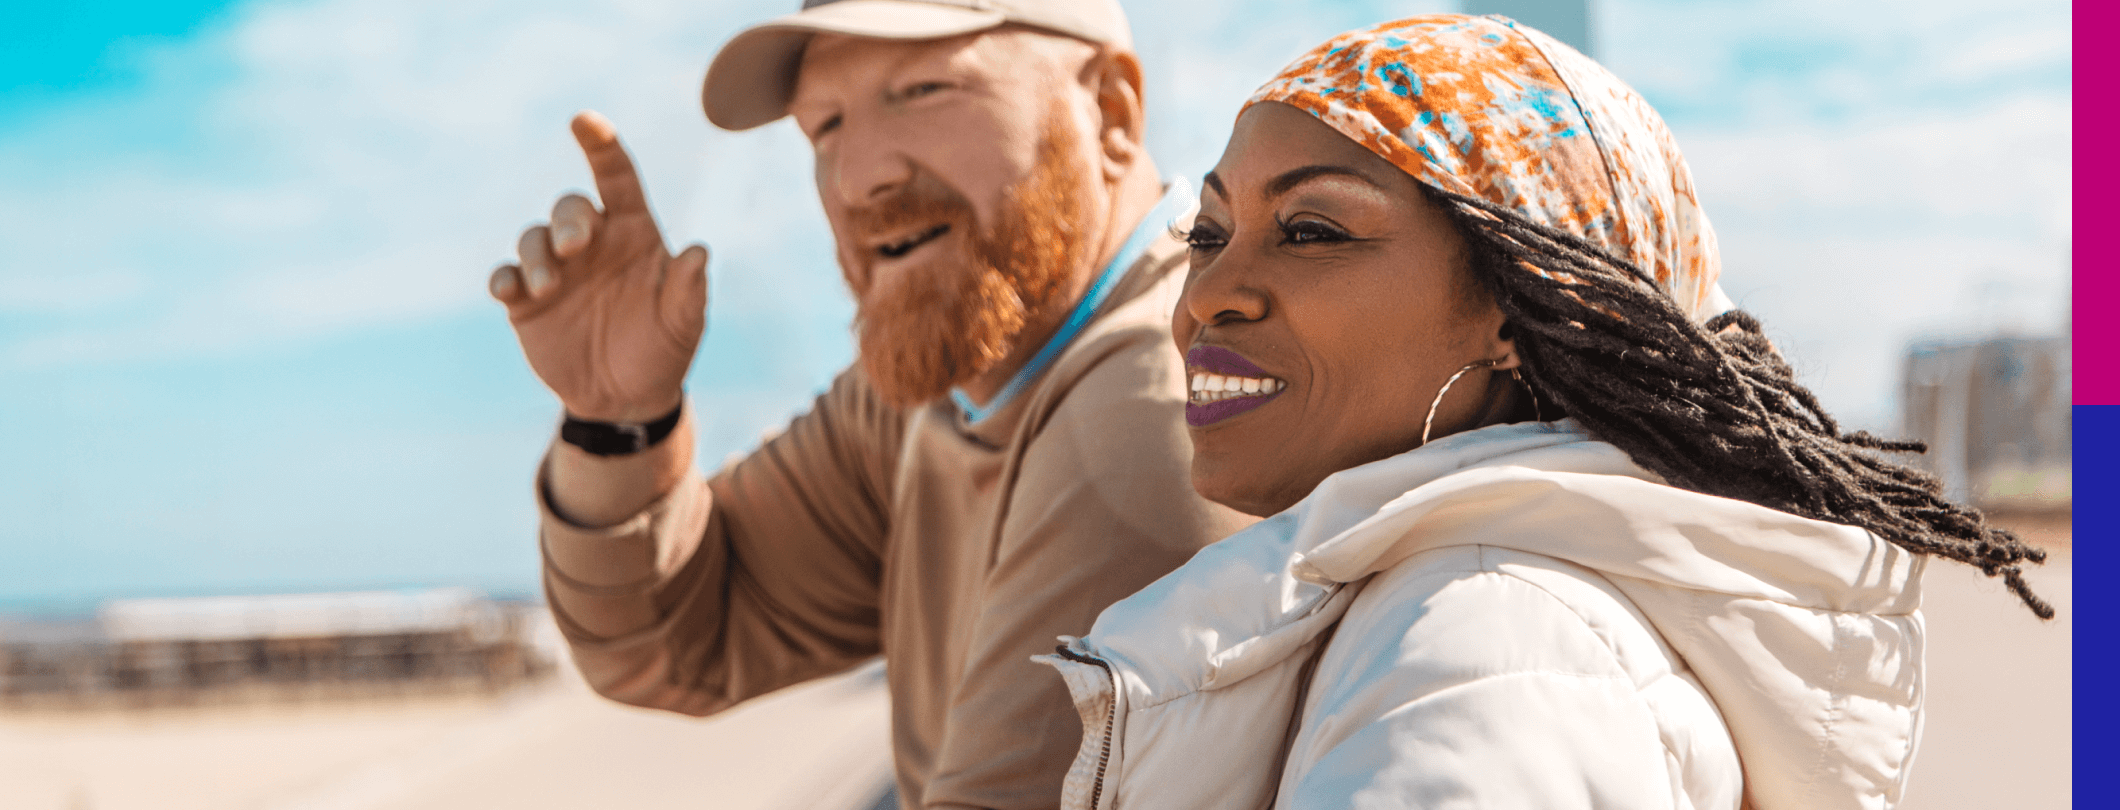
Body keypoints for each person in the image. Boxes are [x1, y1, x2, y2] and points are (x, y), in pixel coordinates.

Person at [1038, 14, 2055, 810]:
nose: (1210, 290)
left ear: (1521, 311)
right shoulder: (1476, 612)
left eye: (1309, 229)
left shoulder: (1486, 646)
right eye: (1208, 231)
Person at [482, 1, 1248, 806]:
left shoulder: (1151, 421)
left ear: (1111, 111)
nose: (857, 177)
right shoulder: (952, 382)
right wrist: (618, 421)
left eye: (921, 89)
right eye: (823, 126)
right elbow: (678, 640)